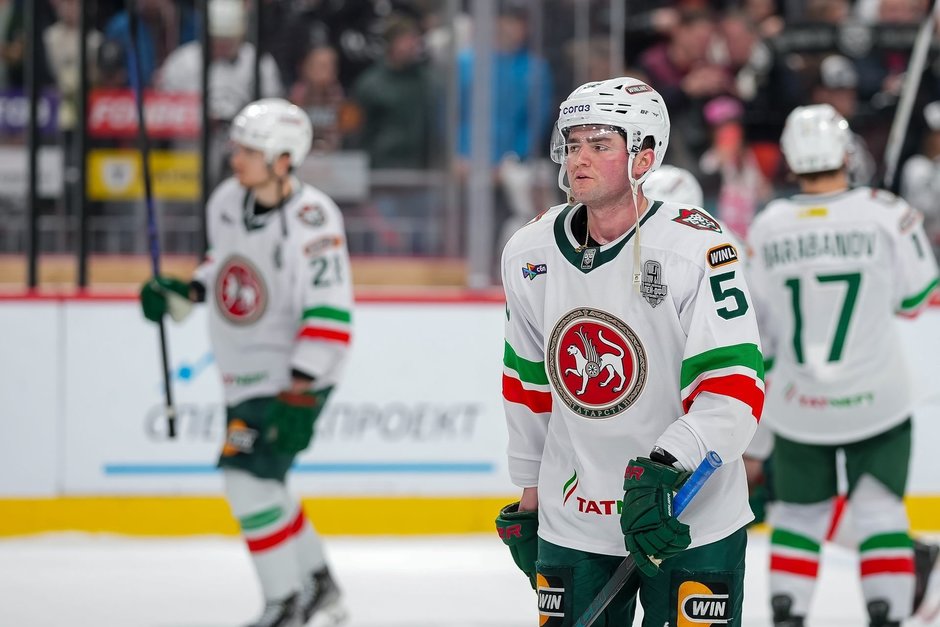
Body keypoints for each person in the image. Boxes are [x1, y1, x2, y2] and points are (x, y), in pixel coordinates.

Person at [495, 76, 765, 626]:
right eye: (573, 144)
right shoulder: (529, 252)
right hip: (575, 518)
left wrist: (666, 467)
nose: (579, 159)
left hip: (689, 514)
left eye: (600, 145)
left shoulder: (698, 246)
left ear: (644, 156)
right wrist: (530, 495)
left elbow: (734, 389)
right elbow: (527, 384)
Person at [138, 98, 351, 627]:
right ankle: (320, 583)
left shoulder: (313, 217)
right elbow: (224, 262)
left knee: (245, 480)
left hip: (292, 375)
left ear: (284, 159)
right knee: (267, 481)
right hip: (242, 372)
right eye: (237, 148)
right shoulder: (227, 201)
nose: (236, 159)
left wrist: (299, 388)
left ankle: (286, 602)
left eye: (251, 151)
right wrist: (188, 291)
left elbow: (330, 305)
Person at [746, 103, 940, 627]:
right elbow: (917, 297)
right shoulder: (886, 212)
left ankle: (788, 613)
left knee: (797, 515)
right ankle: (887, 613)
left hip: (798, 403)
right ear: (846, 152)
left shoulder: (767, 226)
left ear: (790, 160)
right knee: (880, 511)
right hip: (877, 397)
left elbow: (760, 331)